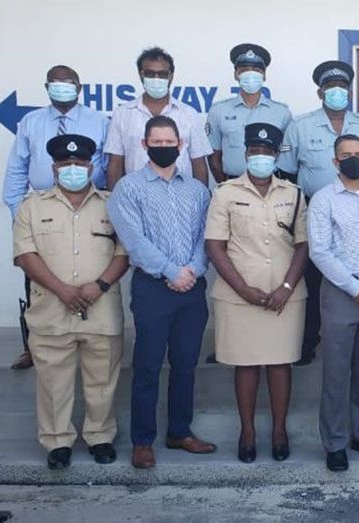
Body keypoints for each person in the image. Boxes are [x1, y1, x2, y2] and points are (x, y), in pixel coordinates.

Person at [12, 134, 128, 469]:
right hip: (51, 309)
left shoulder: (112, 203)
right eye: (66, 164)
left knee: (102, 380)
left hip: (101, 308)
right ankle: (57, 442)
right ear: (54, 167)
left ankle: (100, 437)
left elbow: (124, 251)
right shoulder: (32, 206)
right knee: (53, 382)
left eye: (79, 164)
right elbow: (25, 254)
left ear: (92, 166)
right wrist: (62, 290)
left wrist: (100, 285)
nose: (73, 169)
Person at [107, 115, 215, 469]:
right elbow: (134, 241)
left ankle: (180, 432)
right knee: (148, 366)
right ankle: (142, 440)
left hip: (192, 287)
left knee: (185, 364)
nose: (164, 148)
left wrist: (193, 271)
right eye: (158, 142)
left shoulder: (198, 190)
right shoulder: (129, 188)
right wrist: (172, 272)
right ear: (144, 144)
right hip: (153, 287)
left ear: (181, 145)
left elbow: (206, 237)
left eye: (171, 143)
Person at [205, 123, 308, 463]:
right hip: (239, 295)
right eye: (255, 152)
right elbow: (215, 247)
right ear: (246, 154)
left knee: (280, 364)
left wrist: (287, 287)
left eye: (267, 152)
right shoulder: (225, 192)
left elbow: (303, 246)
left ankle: (279, 431)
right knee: (246, 365)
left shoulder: (293, 193)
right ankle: (247, 431)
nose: (261, 157)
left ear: (277, 155)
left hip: (285, 295)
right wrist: (243, 289)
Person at [3, 65, 110, 370]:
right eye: (57, 83)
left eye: (69, 83)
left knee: (88, 274)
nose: (63, 88)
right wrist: (21, 218)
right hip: (42, 211)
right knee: (38, 281)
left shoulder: (99, 122)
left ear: (80, 87)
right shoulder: (31, 122)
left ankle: (90, 337)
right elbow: (16, 171)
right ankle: (33, 346)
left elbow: (110, 166)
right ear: (47, 87)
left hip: (89, 208)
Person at [278, 60, 359, 366]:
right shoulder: (300, 126)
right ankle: (309, 341)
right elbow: (286, 174)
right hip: (314, 206)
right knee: (310, 277)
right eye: (330, 88)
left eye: (342, 87)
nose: (337, 92)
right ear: (320, 91)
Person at [308, 134, 359, 472]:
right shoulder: (323, 200)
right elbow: (319, 251)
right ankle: (335, 442)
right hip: (342, 293)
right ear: (335, 161)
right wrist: (356, 287)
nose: (354, 159)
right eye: (347, 155)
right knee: (336, 371)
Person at [105, 47, 212, 189]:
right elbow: (115, 163)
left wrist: (202, 199)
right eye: (150, 73)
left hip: (181, 195)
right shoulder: (122, 114)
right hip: (135, 195)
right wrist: (114, 198)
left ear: (171, 76)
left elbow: (198, 162)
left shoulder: (189, 114)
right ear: (140, 74)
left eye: (162, 74)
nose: (156, 79)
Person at [206, 43, 292, 183]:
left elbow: (287, 156)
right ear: (236, 74)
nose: (250, 74)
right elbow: (213, 156)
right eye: (244, 69)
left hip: (271, 186)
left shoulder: (281, 112)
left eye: (256, 70)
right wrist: (226, 185)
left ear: (264, 75)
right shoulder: (219, 111)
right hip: (232, 184)